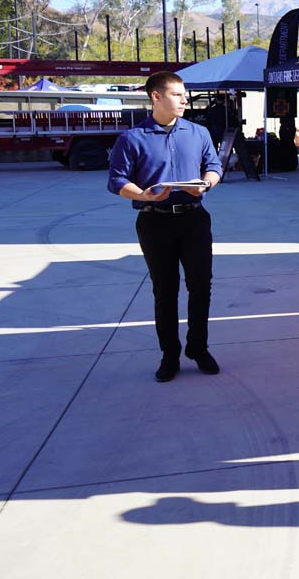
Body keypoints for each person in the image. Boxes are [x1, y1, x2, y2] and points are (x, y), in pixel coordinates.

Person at [107, 71, 223, 382]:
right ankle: (169, 354)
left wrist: (206, 185)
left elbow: (213, 167)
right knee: (165, 290)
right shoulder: (131, 139)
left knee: (201, 286)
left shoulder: (198, 133)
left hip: (194, 218)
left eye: (184, 94)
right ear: (156, 97)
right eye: (176, 94)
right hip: (154, 221)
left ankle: (198, 347)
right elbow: (117, 180)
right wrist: (142, 193)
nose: (184, 99)